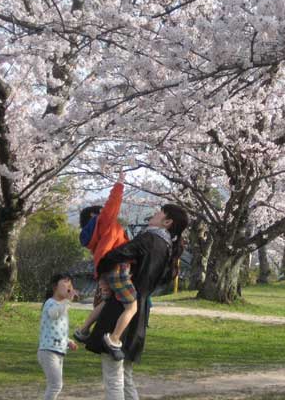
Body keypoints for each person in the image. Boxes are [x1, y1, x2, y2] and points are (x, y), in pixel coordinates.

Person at [85, 203, 189, 400]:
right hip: (139, 313)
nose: (155, 213)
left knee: (113, 376)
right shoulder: (168, 248)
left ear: (167, 222)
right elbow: (164, 279)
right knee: (125, 375)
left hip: (120, 308)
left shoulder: (149, 239)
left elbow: (113, 255)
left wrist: (103, 271)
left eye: (160, 212)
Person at [74, 169, 136, 362]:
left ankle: (83, 330)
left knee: (107, 302)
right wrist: (119, 183)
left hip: (104, 272)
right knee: (132, 306)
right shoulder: (104, 222)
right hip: (118, 269)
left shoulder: (91, 236)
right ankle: (114, 339)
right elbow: (113, 204)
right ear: (95, 215)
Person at [38, 273, 78, 400]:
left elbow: (56, 330)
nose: (69, 286)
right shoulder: (50, 302)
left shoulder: (62, 306)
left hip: (58, 350)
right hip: (48, 351)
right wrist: (67, 301)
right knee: (56, 385)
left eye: (70, 284)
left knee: (54, 385)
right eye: (65, 282)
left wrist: (68, 341)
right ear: (55, 286)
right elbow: (54, 314)